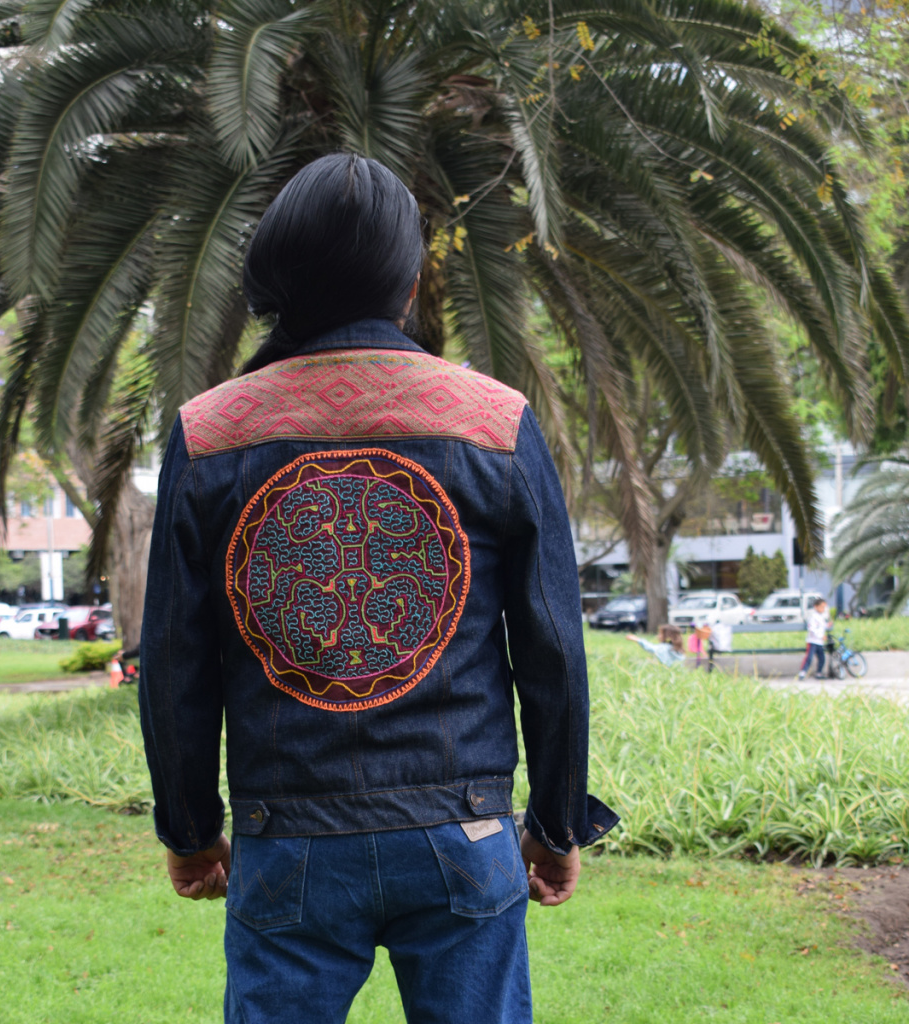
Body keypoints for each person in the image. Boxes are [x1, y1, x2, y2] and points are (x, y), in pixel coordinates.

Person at [139, 153, 618, 1024]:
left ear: (277, 274)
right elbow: (553, 649)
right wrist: (552, 827)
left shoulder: (209, 434)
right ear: (407, 281)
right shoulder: (493, 421)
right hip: (466, 830)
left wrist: (190, 830)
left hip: (286, 843)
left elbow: (176, 661)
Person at [798, 596, 831, 680]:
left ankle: (819, 673)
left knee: (822, 658)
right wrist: (821, 636)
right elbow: (812, 628)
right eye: (822, 607)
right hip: (812, 641)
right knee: (809, 657)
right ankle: (802, 673)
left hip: (819, 642)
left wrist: (827, 625)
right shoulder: (813, 617)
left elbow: (822, 627)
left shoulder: (821, 617)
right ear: (816, 607)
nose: (823, 609)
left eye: (824, 607)